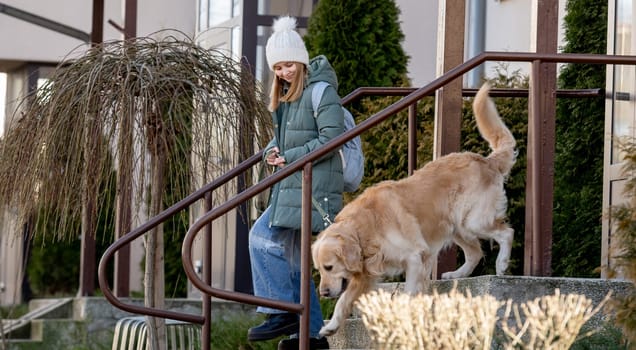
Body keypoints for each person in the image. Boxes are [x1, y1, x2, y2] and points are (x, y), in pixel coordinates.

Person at [247, 15, 345, 350]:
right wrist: (271, 153)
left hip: (314, 187)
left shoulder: (320, 91)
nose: (284, 72)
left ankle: (281, 312)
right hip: (293, 186)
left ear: (301, 61)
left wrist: (292, 156)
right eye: (278, 68)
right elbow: (280, 142)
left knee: (261, 237)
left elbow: (332, 137)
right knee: (294, 264)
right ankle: (310, 335)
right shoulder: (285, 97)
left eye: (289, 65)